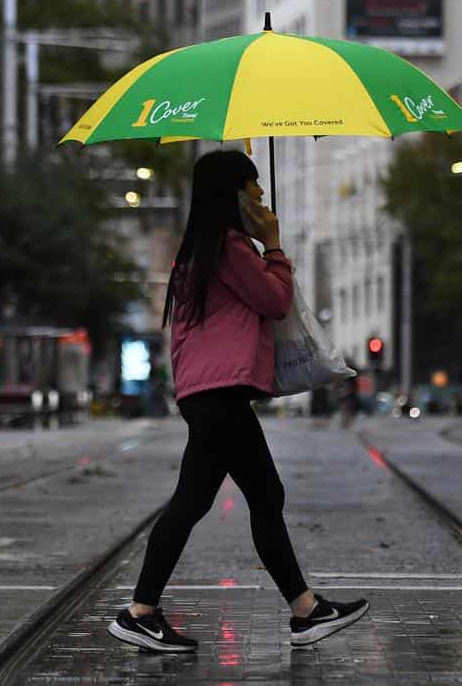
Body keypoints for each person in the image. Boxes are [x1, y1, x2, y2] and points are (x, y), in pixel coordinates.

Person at [107, 151, 369, 654]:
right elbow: (275, 300)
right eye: (255, 189)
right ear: (233, 196)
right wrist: (272, 244)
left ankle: (301, 610)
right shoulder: (229, 247)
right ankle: (146, 611)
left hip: (211, 393)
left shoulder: (206, 248)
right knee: (237, 498)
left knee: (226, 498)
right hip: (220, 394)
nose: (263, 197)